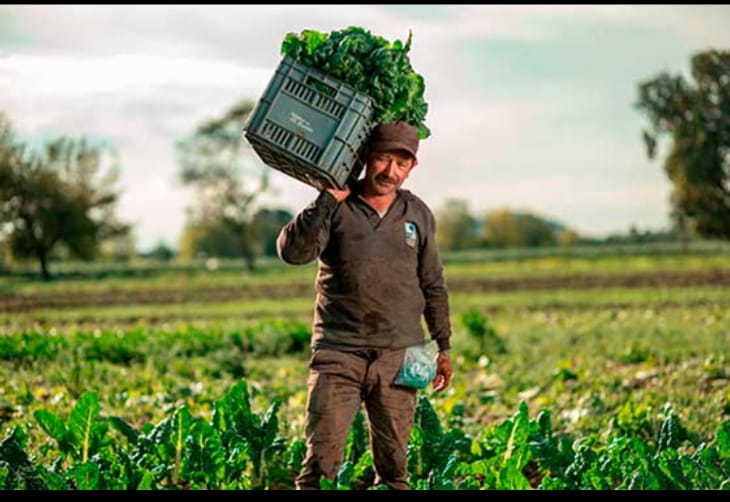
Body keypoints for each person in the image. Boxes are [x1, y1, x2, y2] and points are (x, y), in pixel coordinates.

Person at [276, 120, 453, 490]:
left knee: (395, 471)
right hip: (339, 350)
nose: (390, 172)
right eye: (382, 159)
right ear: (365, 157)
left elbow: (433, 284)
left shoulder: (418, 214)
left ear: (412, 167)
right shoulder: (337, 205)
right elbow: (293, 253)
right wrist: (325, 199)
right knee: (319, 465)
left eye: (401, 164)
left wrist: (443, 345)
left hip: (404, 352)